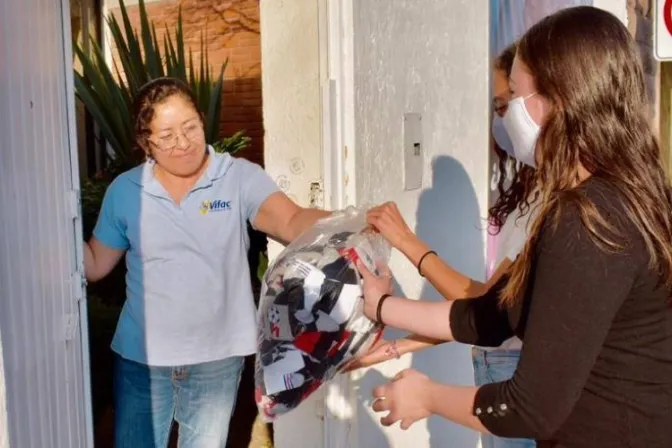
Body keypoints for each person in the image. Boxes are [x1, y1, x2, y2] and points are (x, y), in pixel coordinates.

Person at [356, 6, 672, 447]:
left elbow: (531, 408)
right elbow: (494, 315)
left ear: (555, 101)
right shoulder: (622, 195)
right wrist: (382, 307)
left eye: (516, 97)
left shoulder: (591, 220)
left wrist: (426, 396)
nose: (506, 117)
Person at [83, 77, 331, 448]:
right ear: (145, 142)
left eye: (190, 128)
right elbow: (95, 265)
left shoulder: (238, 177)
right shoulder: (126, 191)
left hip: (216, 360)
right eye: (166, 135)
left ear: (203, 120)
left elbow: (291, 221)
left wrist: (350, 221)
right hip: (142, 361)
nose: (182, 143)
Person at [346, 42, 537, 448]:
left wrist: (409, 245)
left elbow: (487, 306)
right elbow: (486, 313)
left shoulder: (551, 205)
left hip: (515, 373)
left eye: (507, 104)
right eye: (497, 109)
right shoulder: (529, 195)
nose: (502, 121)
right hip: (498, 364)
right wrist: (394, 348)